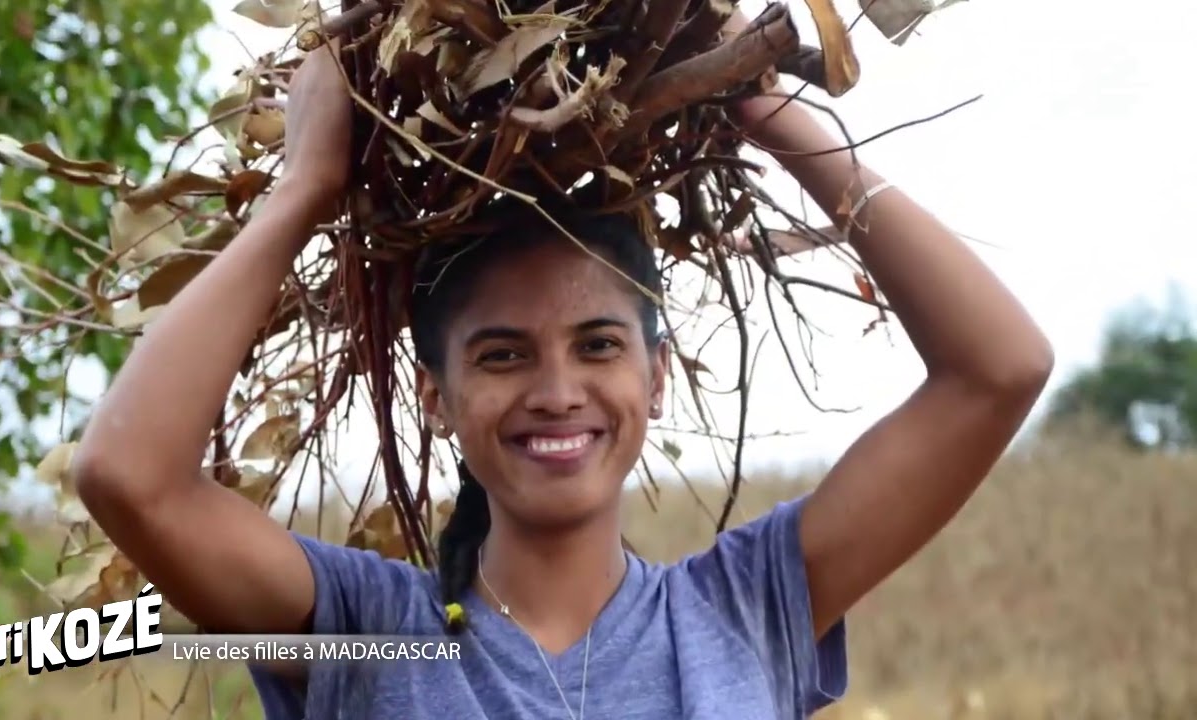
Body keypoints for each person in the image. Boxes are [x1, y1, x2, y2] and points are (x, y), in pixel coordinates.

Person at [71, 15, 1053, 720]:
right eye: (501, 356)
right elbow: (132, 479)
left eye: (597, 345)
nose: (555, 391)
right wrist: (303, 189)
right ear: (435, 398)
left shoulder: (748, 608)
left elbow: (997, 370)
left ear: (656, 374)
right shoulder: (366, 634)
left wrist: (757, 104)